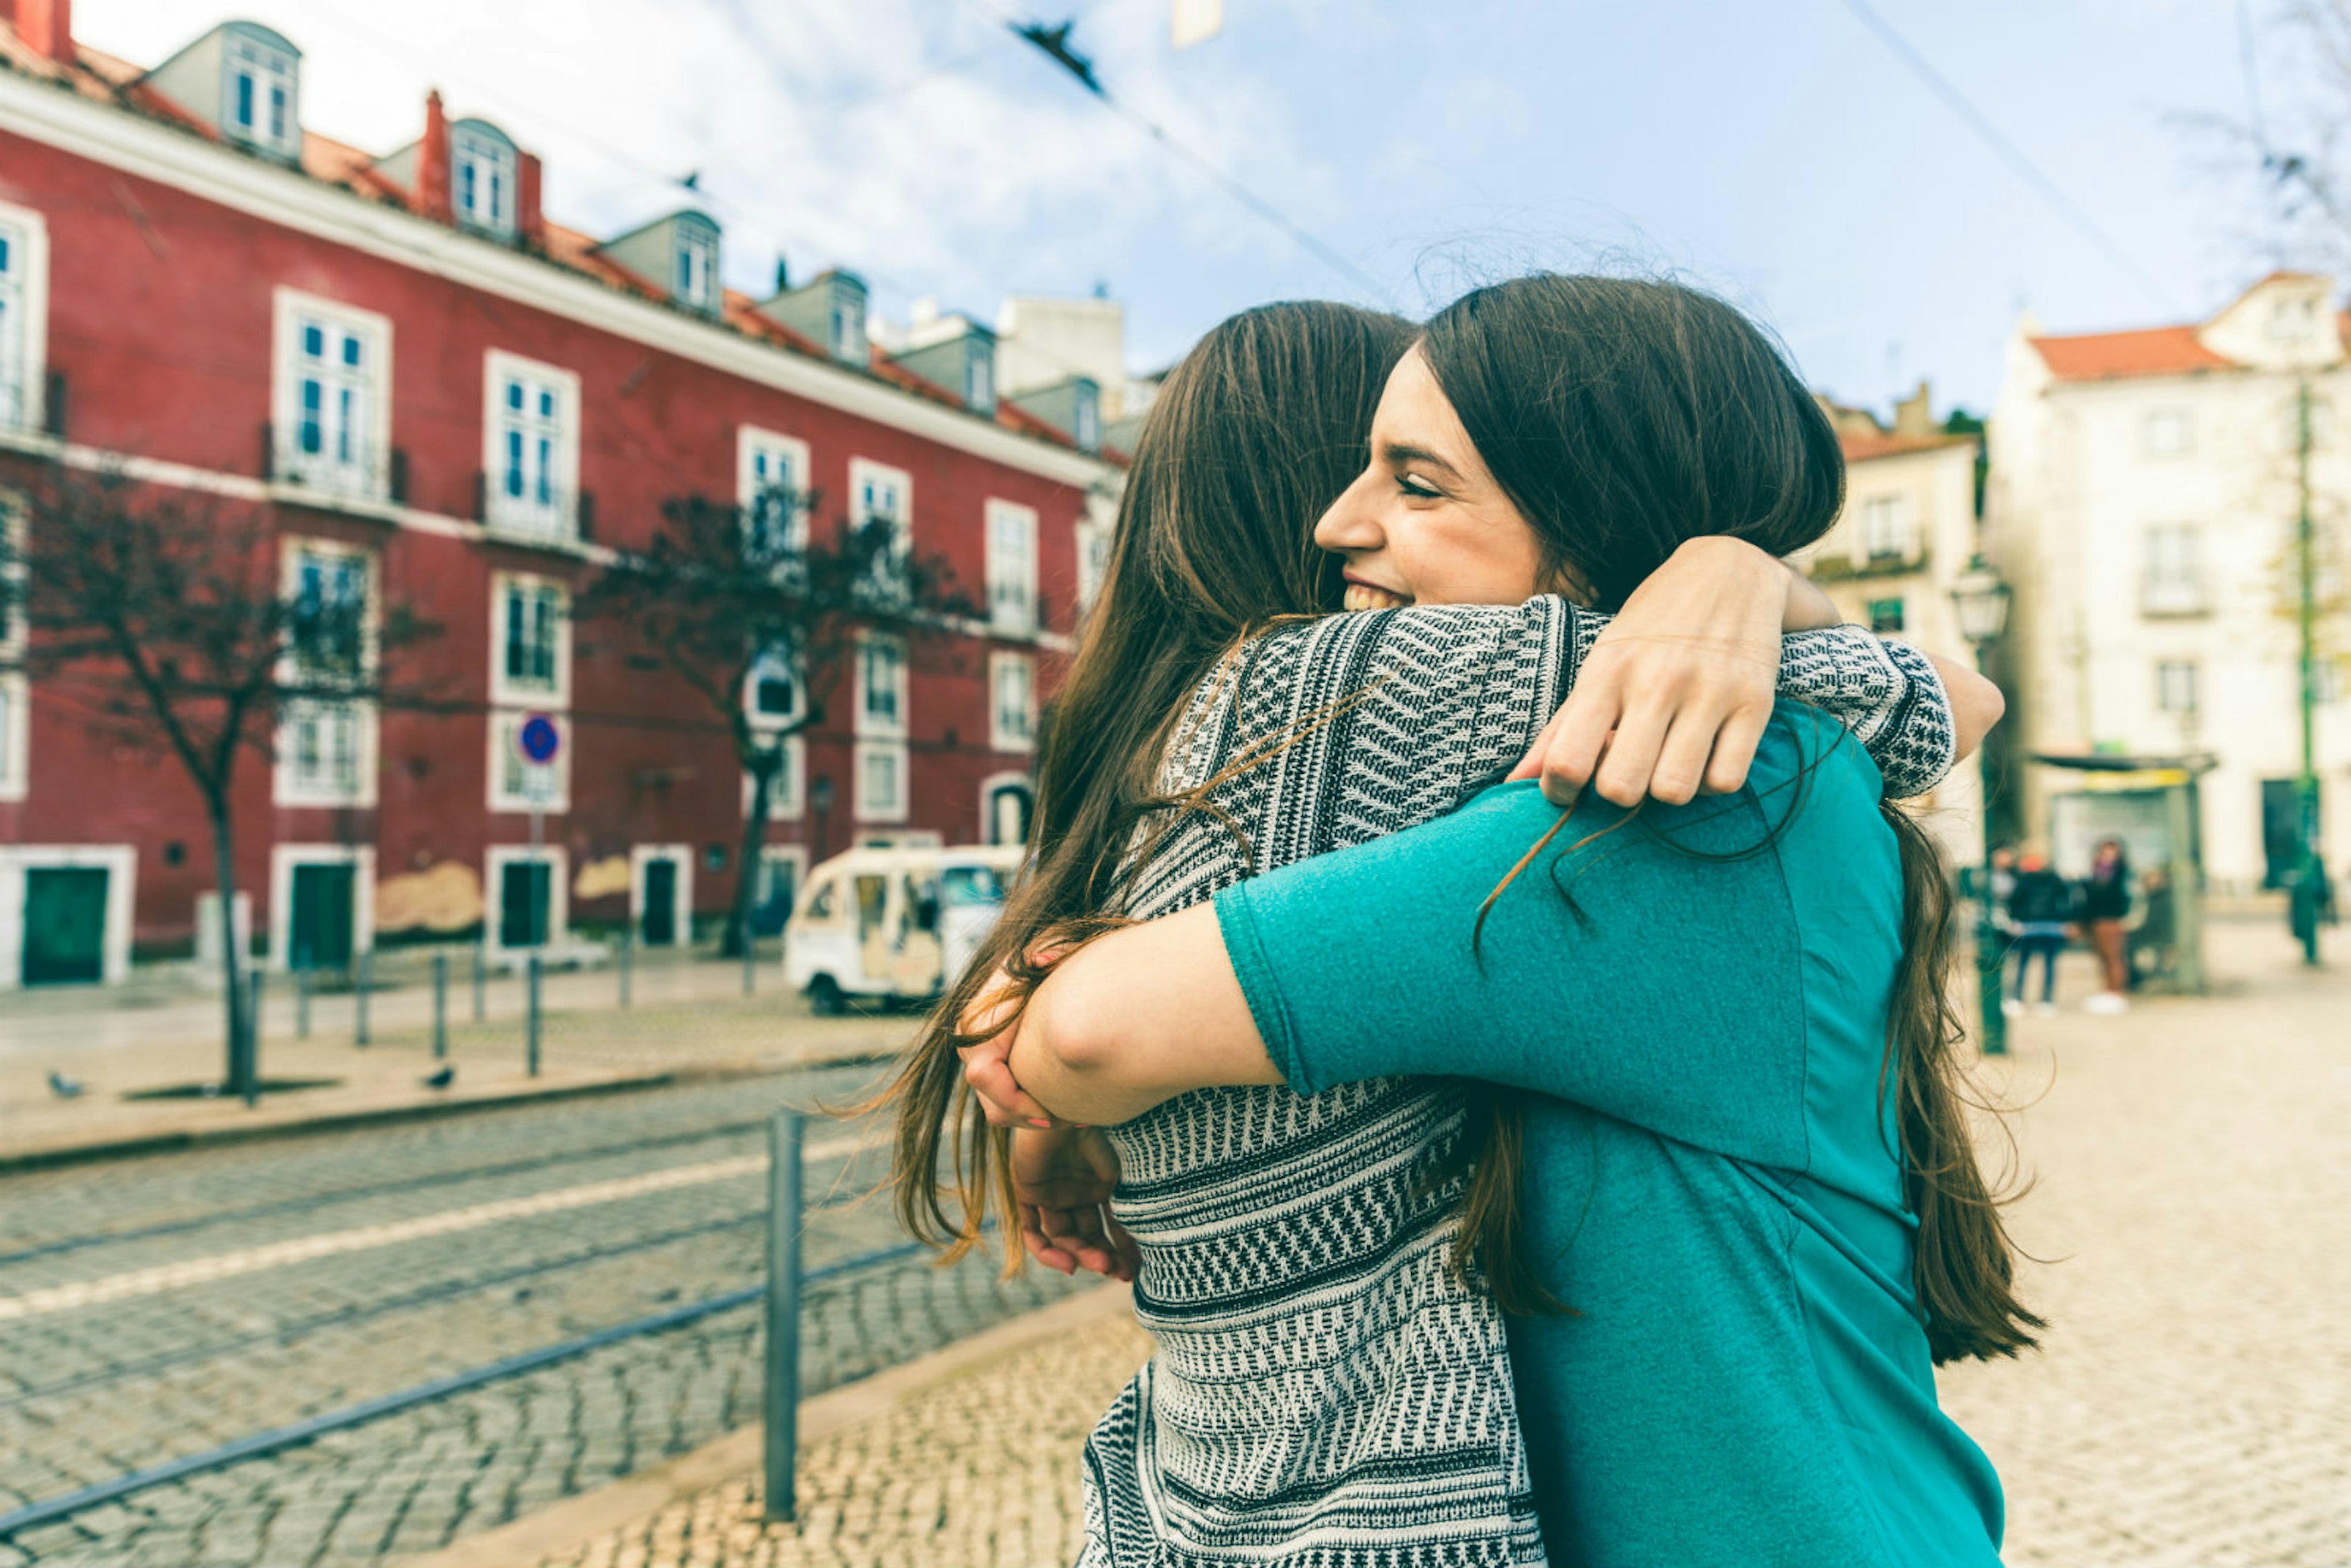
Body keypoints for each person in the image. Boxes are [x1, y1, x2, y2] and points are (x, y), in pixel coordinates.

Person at [938, 277, 2020, 1567]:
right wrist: (1739, 581)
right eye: (1357, 469)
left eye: (1418, 480)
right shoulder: (1717, 773)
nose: (1340, 523)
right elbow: (1949, 696)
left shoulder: (1665, 812)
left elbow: (1097, 1029)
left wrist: (1043, 1045)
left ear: (1589, 509)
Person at [2005, 846, 2074, 1017]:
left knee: (2025, 963)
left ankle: (2022, 999)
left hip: (2032, 925)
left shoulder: (2023, 879)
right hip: (2049, 925)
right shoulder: (2053, 878)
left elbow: (2014, 901)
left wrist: (2016, 919)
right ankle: (2044, 1000)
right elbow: (2066, 899)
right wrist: (2063, 919)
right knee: (2045, 964)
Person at [2080, 838, 2132, 1014]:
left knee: (2114, 957)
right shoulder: (2097, 872)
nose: (2108, 856)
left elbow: (2120, 896)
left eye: (2112, 853)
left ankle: (2116, 993)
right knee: (2103, 956)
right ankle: (2107, 992)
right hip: (2097, 919)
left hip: (2113, 919)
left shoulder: (2121, 874)